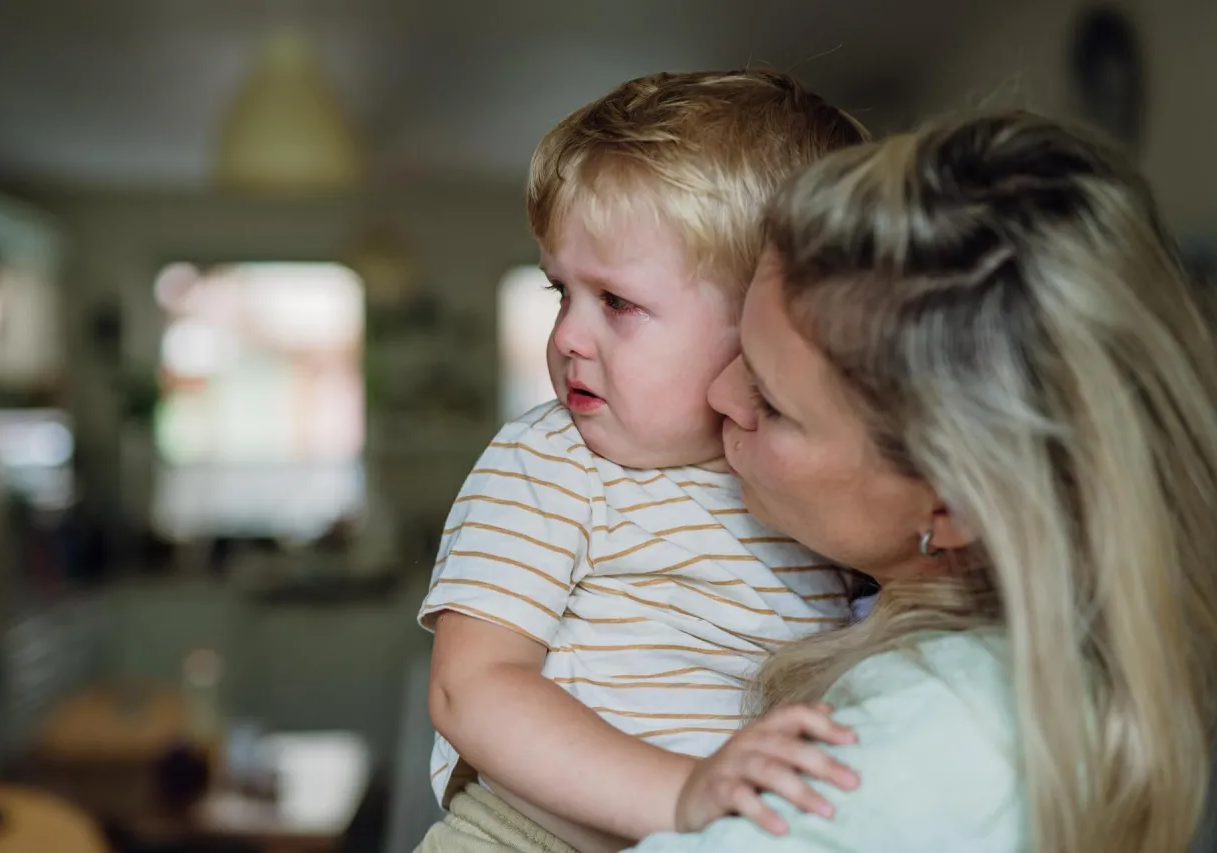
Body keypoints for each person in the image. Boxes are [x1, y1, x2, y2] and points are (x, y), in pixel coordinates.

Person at [630, 111, 1217, 853]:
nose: (719, 395)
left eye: (773, 405)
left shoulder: (931, 744)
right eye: (739, 349)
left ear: (953, 503)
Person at [417, 70, 870, 853]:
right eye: (561, 292)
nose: (566, 337)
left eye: (616, 303)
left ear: (765, 323)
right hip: (522, 836)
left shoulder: (800, 488)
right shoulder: (548, 458)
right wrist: (683, 795)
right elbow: (472, 686)